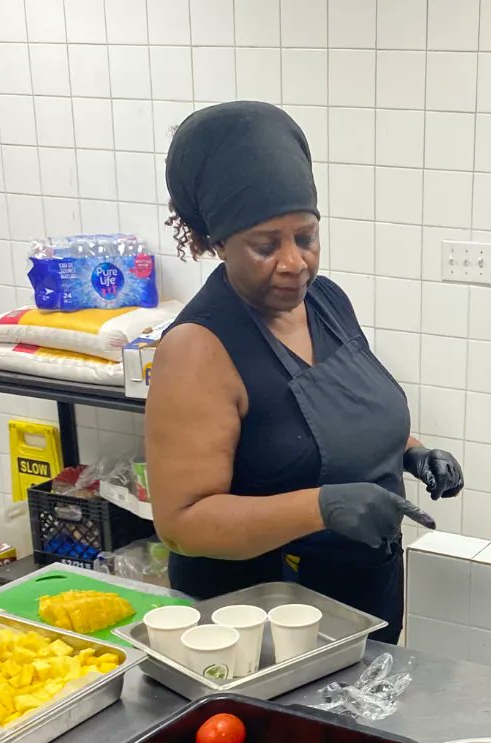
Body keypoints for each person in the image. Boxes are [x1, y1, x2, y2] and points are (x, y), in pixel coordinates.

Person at [146, 102, 463, 642]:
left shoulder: (327, 302)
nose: (294, 263)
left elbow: (339, 414)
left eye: (306, 237)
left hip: (361, 598)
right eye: (266, 246)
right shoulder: (199, 348)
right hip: (257, 623)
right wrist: (320, 507)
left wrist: (409, 450)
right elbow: (182, 523)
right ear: (217, 243)